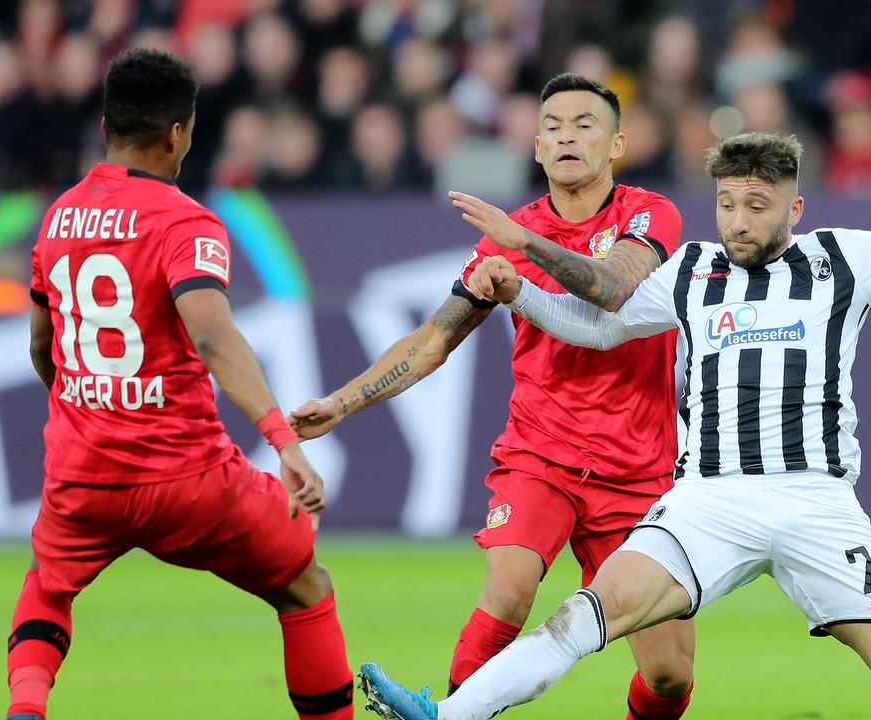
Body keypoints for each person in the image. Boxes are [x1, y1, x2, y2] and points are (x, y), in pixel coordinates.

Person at [357, 132, 871, 720]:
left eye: (757, 204)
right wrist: (521, 293)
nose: (738, 220)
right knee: (585, 617)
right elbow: (595, 329)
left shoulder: (844, 259)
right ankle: (448, 712)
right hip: (707, 501)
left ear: (794, 209)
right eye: (727, 203)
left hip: (815, 502)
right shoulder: (690, 270)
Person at [291, 73, 698, 719]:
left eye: (585, 124)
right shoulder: (507, 240)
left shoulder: (647, 214)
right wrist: (341, 404)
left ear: (617, 143)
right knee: (508, 592)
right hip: (542, 454)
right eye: (555, 127)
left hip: (638, 470)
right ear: (536, 148)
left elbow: (616, 287)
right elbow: (432, 341)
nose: (569, 136)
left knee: (670, 674)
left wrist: (525, 246)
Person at [6, 49, 353, 720]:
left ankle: (26, 710)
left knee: (47, 589)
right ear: (179, 133)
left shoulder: (57, 220)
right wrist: (281, 440)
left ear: (106, 125)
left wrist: (87, 411)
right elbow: (213, 336)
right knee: (307, 588)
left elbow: (41, 347)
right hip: (188, 479)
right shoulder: (183, 221)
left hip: (82, 475)